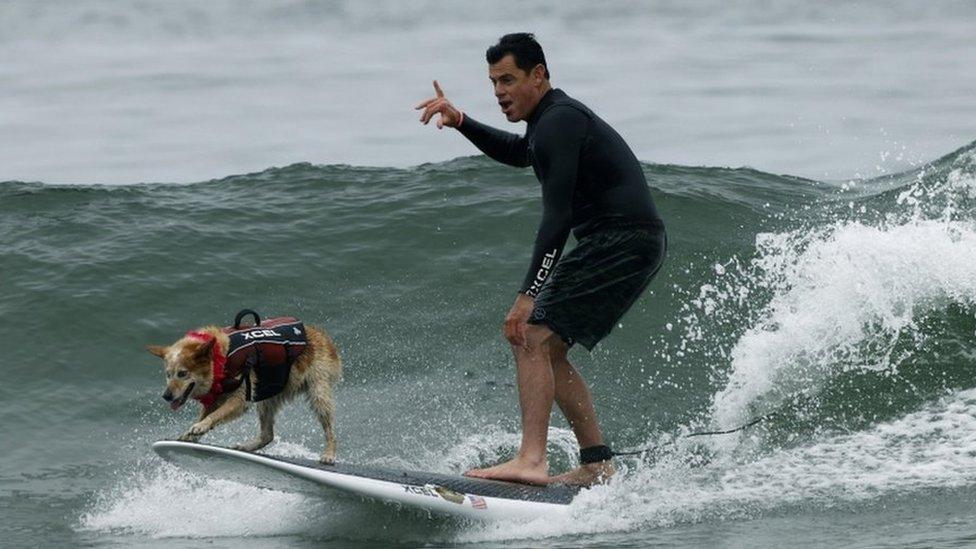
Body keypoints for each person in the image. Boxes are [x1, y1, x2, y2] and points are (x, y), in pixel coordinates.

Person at [415, 33, 666, 486]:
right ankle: (596, 465)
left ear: (539, 75)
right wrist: (462, 121)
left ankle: (531, 459)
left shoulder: (559, 121)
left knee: (531, 333)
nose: (499, 92)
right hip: (625, 241)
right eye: (493, 83)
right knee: (546, 346)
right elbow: (520, 153)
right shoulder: (549, 122)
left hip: (623, 240)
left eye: (508, 80)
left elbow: (558, 217)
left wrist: (527, 293)